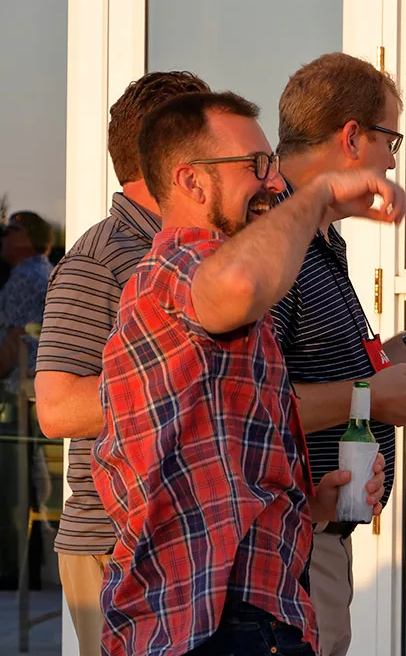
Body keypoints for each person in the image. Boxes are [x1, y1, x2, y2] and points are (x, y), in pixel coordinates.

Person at [92, 90, 402, 656]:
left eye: (271, 164)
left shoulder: (227, 287)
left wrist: (315, 503)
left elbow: (222, 473)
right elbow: (238, 283)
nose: (272, 181)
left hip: (251, 607)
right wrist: (322, 193)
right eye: (254, 167)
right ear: (191, 181)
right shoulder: (174, 268)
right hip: (202, 620)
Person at [274, 52, 406, 656]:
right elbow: (245, 401)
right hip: (288, 541)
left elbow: (339, 367)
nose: (395, 160)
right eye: (392, 139)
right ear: (352, 136)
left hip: (316, 538)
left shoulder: (314, 236)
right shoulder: (275, 239)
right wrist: (368, 398)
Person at [34, 71, 210, 656]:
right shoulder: (100, 260)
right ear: (175, 154)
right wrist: (190, 387)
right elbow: (57, 408)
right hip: (117, 545)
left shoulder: (184, 252)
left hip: (173, 538)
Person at [0, 210, 55, 587]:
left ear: (27, 238)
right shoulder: (46, 271)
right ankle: (34, 570)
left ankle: (12, 572)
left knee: (14, 490)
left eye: (11, 232)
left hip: (18, 396)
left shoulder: (22, 278)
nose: (4, 239)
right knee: (37, 486)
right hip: (39, 394)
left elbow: (14, 339)